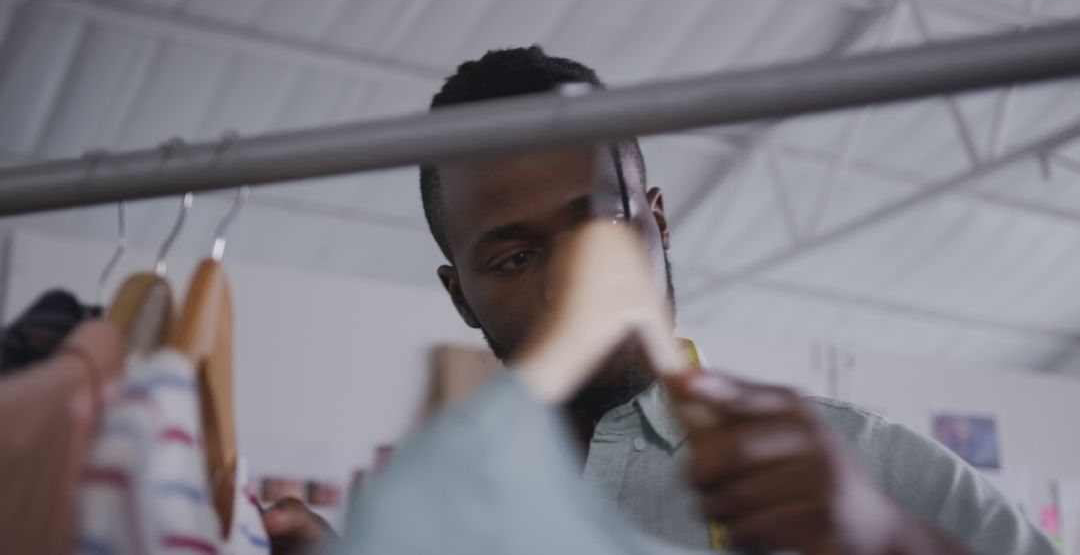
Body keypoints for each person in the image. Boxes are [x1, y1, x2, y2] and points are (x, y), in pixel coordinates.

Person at [264, 47, 1057, 555]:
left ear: (658, 220)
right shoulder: (433, 521)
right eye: (511, 257)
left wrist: (889, 540)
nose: (569, 283)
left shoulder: (858, 464)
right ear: (460, 296)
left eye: (601, 224)